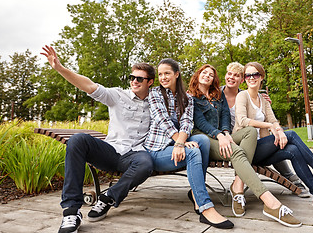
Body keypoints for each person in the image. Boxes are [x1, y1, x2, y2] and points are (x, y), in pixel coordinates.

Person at [41, 45, 155, 233]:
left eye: (139, 78)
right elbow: (89, 85)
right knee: (78, 140)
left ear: (150, 82)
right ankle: (71, 211)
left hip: (134, 154)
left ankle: (108, 197)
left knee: (145, 164)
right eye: (132, 77)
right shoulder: (118, 95)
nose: (134, 81)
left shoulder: (156, 101)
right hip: (110, 152)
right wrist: (60, 68)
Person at [234, 62, 313, 214]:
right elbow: (242, 121)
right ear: (244, 79)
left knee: (293, 150)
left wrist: (277, 129)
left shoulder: (263, 99)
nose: (251, 78)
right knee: (291, 134)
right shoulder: (242, 96)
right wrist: (270, 127)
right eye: (248, 75)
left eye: (255, 75)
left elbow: (274, 121)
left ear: (261, 78)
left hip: (264, 151)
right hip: (248, 152)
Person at [189, 64, 302, 227]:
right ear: (197, 75)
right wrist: (219, 135)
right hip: (204, 139)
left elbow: (226, 115)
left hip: (223, 136)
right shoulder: (191, 97)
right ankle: (270, 202)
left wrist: (226, 133)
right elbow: (199, 122)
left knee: (249, 130)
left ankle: (238, 185)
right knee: (237, 153)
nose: (207, 75)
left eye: (211, 74)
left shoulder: (217, 94)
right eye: (204, 72)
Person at [144, 58, 234, 229]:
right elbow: (162, 120)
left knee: (201, 140)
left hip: (176, 145)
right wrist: (180, 144)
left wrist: (180, 143)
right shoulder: (154, 93)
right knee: (193, 152)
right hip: (158, 150)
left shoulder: (187, 97)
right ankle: (205, 207)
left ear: (176, 74)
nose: (163, 77)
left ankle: (196, 193)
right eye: (160, 74)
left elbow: (187, 122)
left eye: (167, 73)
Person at [222, 62, 310, 198]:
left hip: (255, 137)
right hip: (235, 139)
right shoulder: (217, 94)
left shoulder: (249, 95)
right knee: (281, 138)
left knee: (280, 143)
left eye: (237, 75)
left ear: (242, 80)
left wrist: (264, 104)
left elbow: (264, 114)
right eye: (229, 74)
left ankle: (294, 178)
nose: (232, 77)